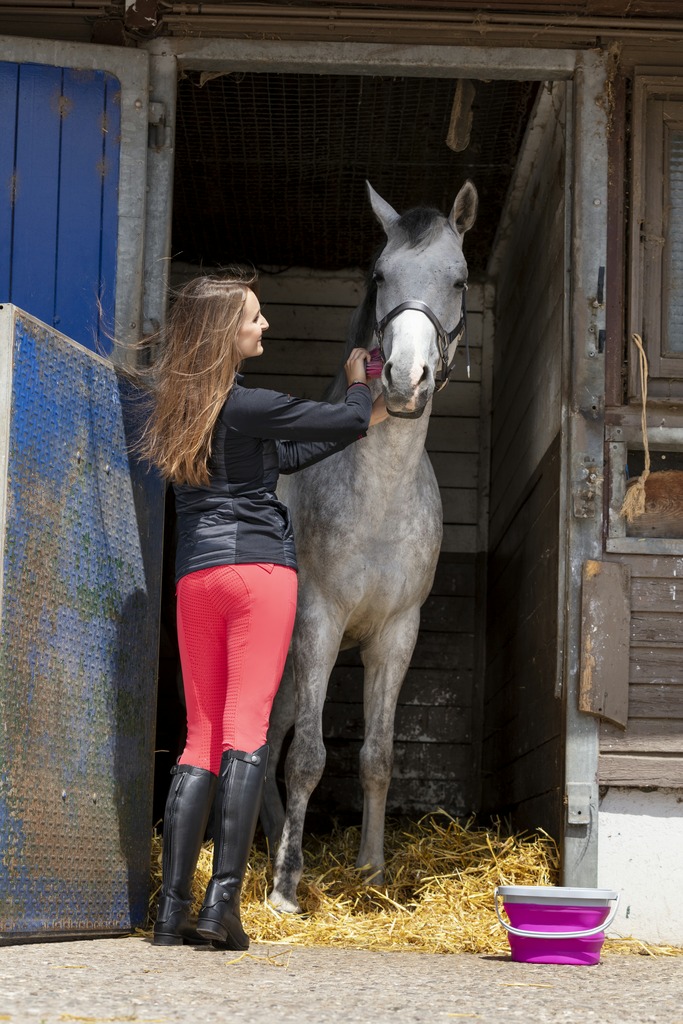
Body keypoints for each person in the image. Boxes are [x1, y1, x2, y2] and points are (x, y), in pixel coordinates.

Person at [138, 271, 387, 950]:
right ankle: (222, 907)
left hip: (196, 579)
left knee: (198, 741)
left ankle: (170, 911)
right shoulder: (247, 403)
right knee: (245, 736)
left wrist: (362, 423)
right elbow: (342, 416)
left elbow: (294, 451)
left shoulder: (180, 408)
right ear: (226, 332)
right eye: (254, 317)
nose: (265, 325)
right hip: (257, 576)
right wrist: (360, 381)